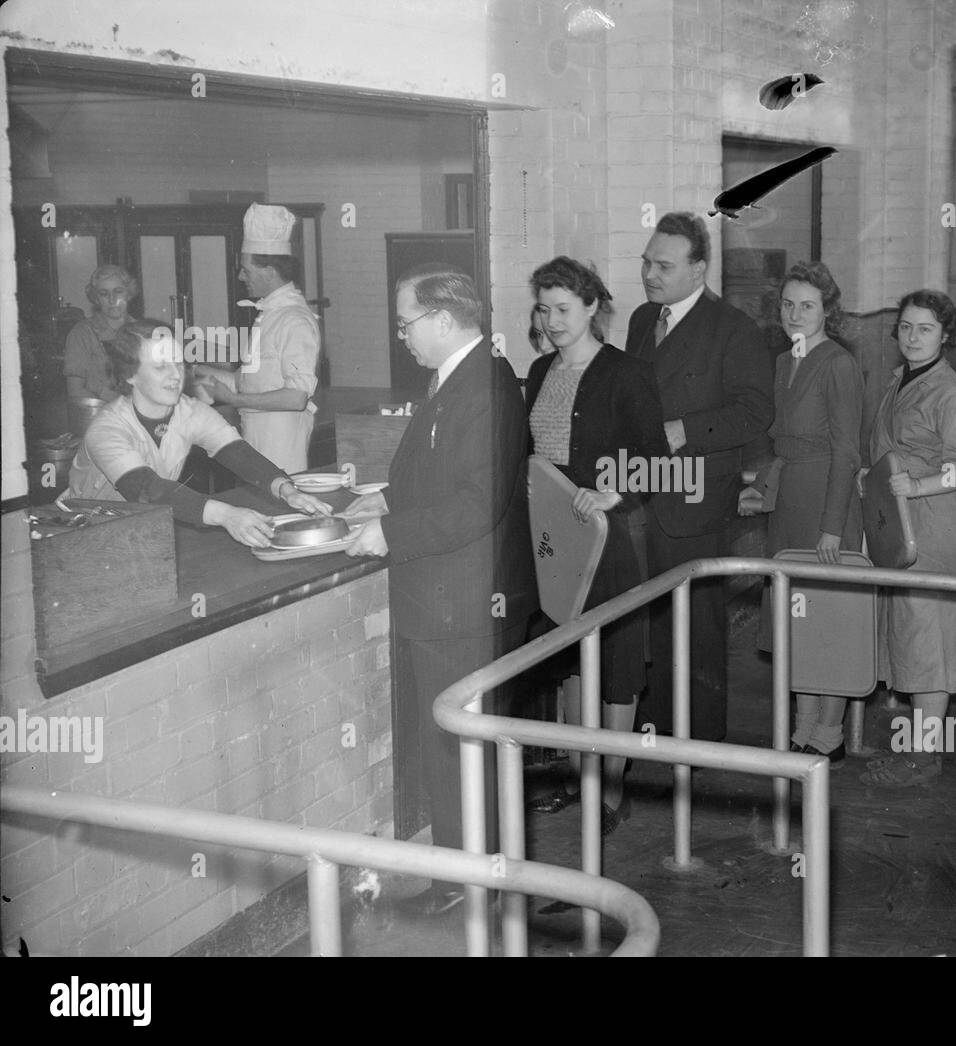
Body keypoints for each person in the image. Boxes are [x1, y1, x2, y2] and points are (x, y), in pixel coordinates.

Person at [341, 267, 536, 912]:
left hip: (462, 603)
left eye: (406, 323)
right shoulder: (461, 378)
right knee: (455, 745)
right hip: (449, 598)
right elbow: (436, 474)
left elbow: (475, 504)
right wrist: (381, 502)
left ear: (444, 321)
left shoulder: (485, 385)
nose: (402, 336)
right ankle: (473, 872)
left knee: (458, 747)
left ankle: (466, 883)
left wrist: (390, 534)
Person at [523, 257, 669, 834]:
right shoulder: (538, 372)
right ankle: (578, 781)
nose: (553, 320)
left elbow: (656, 459)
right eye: (543, 308)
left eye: (564, 308)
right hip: (556, 539)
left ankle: (610, 792)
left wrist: (616, 491)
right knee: (571, 665)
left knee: (615, 664)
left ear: (592, 308)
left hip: (608, 541)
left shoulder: (625, 373)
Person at [627, 212, 773, 743]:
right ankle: (656, 735)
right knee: (651, 627)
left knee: (697, 630)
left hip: (696, 505)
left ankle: (701, 747)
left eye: (663, 265)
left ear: (699, 270)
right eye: (646, 262)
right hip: (644, 496)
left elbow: (756, 413)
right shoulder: (643, 320)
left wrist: (685, 429)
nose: (649, 274)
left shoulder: (733, 329)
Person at [858, 290, 956, 787]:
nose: (912, 336)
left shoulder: (951, 393)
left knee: (931, 646)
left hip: (933, 525)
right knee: (909, 638)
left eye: (924, 329)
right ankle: (916, 751)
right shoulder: (899, 379)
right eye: (905, 327)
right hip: (902, 524)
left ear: (945, 334)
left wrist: (919, 484)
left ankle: (925, 760)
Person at [745, 262, 863, 763]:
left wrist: (832, 528)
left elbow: (848, 452)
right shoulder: (781, 362)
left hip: (825, 503)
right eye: (788, 304)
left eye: (807, 306)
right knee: (797, 619)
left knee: (828, 620)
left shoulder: (838, 364)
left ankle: (828, 735)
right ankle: (802, 727)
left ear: (827, 311)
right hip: (791, 499)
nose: (795, 314)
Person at [65, 320, 330, 542]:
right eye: (160, 367)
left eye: (179, 363)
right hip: (81, 535)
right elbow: (148, 489)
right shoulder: (106, 429)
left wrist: (286, 489)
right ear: (129, 375)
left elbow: (238, 453)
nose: (175, 375)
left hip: (139, 531)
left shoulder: (191, 411)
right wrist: (227, 515)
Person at [196, 204, 320, 473]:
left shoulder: (294, 319)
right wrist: (200, 370)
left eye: (246, 270)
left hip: (281, 445)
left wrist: (233, 399)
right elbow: (251, 380)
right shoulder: (269, 314)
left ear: (269, 272)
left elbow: (296, 397)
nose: (241, 277)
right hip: (256, 437)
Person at [64, 264, 138, 402]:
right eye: (104, 294)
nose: (112, 299)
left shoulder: (141, 332)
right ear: (96, 299)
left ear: (128, 294)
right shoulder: (81, 334)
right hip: (100, 417)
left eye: (118, 291)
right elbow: (75, 391)